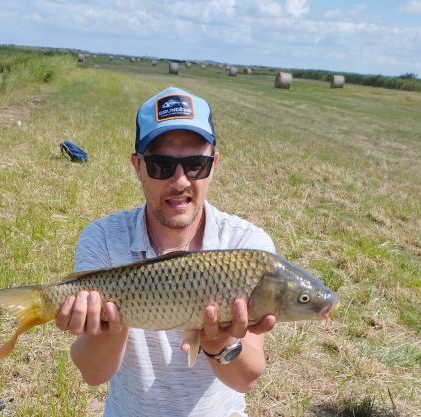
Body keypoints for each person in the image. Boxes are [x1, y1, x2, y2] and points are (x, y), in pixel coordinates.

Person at [55, 87, 277, 417]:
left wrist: (217, 344)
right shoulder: (103, 238)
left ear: (214, 164)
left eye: (195, 164)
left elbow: (247, 379)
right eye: (160, 165)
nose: (180, 181)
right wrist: (111, 326)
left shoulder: (247, 248)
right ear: (137, 167)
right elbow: (93, 374)